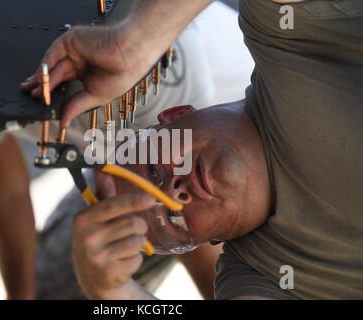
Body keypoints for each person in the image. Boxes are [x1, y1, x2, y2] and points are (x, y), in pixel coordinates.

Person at [23, 0, 363, 299]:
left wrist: (133, 43)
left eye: (154, 170)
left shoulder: (288, 39)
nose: (173, 192)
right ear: (207, 242)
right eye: (172, 218)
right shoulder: (270, 273)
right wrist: (113, 292)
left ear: (176, 114)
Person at [0, 3, 223, 299]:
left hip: (230, 161)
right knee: (64, 282)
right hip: (127, 158)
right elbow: (4, 194)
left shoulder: (153, 65)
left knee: (164, 217)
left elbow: (190, 228)